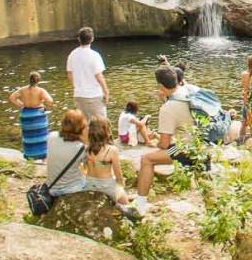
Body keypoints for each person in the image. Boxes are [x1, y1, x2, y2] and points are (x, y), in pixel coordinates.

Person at [132, 66, 198, 216]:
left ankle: (140, 206)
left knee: (146, 159)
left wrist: (153, 142)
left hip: (187, 148)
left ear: (161, 86)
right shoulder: (187, 90)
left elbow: (164, 144)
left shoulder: (168, 108)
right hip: (203, 141)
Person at [9, 71, 54, 160]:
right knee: (41, 137)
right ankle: (42, 155)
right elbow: (50, 101)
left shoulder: (22, 89)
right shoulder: (41, 90)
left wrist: (21, 105)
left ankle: (29, 156)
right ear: (38, 81)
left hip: (26, 114)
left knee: (28, 136)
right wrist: (44, 108)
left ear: (29, 79)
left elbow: (12, 98)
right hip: (37, 114)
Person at [66, 27, 109, 121]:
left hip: (79, 95)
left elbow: (69, 74)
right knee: (101, 124)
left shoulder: (72, 55)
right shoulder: (95, 55)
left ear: (79, 39)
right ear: (92, 39)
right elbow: (99, 76)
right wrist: (106, 91)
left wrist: (76, 86)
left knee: (84, 125)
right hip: (94, 95)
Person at [84, 117, 129, 204]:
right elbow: (118, 174)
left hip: (89, 184)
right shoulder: (112, 150)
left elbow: (85, 167)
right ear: (106, 131)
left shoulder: (85, 148)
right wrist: (121, 186)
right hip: (106, 185)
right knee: (125, 202)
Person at [46, 110, 88, 196]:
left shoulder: (51, 136)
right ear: (80, 128)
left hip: (51, 188)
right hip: (72, 188)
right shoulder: (81, 148)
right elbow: (89, 168)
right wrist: (85, 140)